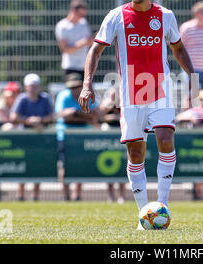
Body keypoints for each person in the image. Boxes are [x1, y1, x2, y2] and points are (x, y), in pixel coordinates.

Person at [77, 0, 198, 229]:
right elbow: (95, 52)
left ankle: (162, 206)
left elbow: (178, 49)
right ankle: (144, 214)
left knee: (166, 138)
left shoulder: (165, 16)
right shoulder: (116, 16)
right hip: (131, 93)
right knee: (135, 152)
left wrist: (194, 76)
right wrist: (87, 85)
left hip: (160, 88)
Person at [55, 73, 100, 201]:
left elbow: (96, 116)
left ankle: (77, 195)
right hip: (65, 136)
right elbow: (64, 115)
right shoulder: (63, 96)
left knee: (80, 165)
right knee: (63, 165)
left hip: (83, 136)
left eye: (77, 86)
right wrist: (85, 117)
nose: (75, 89)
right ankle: (65, 195)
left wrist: (75, 115)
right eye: (72, 87)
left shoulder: (87, 96)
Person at [10, 73, 54, 201]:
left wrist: (38, 120)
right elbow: (13, 117)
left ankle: (35, 195)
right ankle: (20, 194)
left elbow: (51, 116)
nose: (33, 88)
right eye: (31, 86)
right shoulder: (22, 99)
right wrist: (30, 122)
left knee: (38, 165)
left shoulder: (44, 98)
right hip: (25, 138)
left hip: (40, 138)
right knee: (23, 165)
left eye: (35, 86)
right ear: (26, 87)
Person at [176, 89, 203, 201]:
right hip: (195, 146)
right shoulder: (195, 111)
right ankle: (197, 194)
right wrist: (192, 119)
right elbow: (179, 117)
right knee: (197, 170)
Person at [179, 1, 203, 90]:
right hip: (191, 69)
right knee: (191, 98)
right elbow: (180, 48)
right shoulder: (186, 28)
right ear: (197, 13)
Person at [98, 85, 126, 203]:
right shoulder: (107, 103)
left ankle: (121, 195)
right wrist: (109, 113)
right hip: (109, 135)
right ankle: (110, 195)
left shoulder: (125, 103)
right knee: (109, 169)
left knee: (123, 166)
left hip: (121, 133)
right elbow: (99, 116)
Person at [55, 0, 94, 77]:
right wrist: (83, 43)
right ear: (73, 11)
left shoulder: (84, 23)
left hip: (85, 66)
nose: (81, 17)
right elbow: (65, 50)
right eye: (80, 14)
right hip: (71, 66)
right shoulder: (62, 26)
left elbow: (89, 42)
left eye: (83, 15)